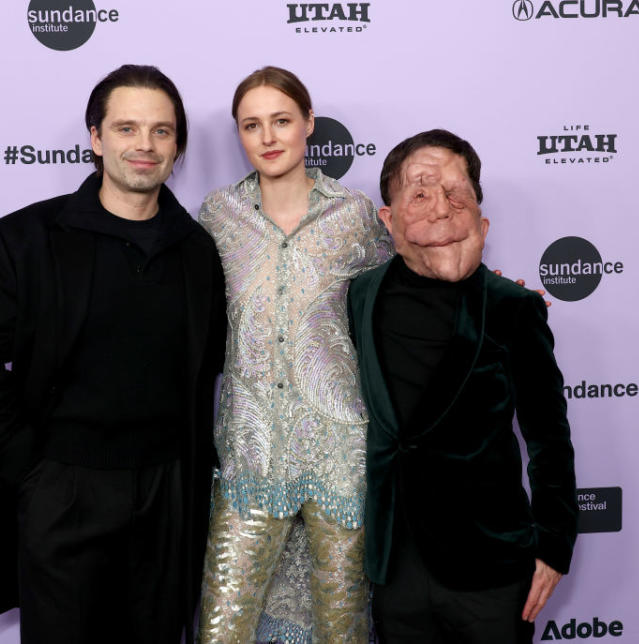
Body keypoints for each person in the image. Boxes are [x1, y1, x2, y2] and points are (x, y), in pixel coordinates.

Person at [0, 64, 226, 644]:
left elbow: (207, 373)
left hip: (166, 495)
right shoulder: (25, 238)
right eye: (126, 129)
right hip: (62, 489)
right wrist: (31, 469)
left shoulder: (199, 251)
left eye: (161, 131)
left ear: (177, 146)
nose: (144, 146)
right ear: (96, 139)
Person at [347, 129, 578, 644]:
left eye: (458, 195)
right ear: (389, 220)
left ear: (482, 218)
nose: (443, 211)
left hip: (491, 565)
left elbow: (548, 436)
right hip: (394, 568)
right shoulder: (360, 297)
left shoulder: (513, 307)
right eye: (421, 193)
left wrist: (554, 543)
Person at [196, 66, 394, 643]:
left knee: (344, 627)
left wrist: (487, 292)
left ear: (308, 123)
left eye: (281, 120)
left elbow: (407, 292)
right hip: (249, 451)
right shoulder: (216, 217)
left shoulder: (354, 215)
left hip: (341, 454)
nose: (268, 137)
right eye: (251, 125)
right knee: (221, 627)